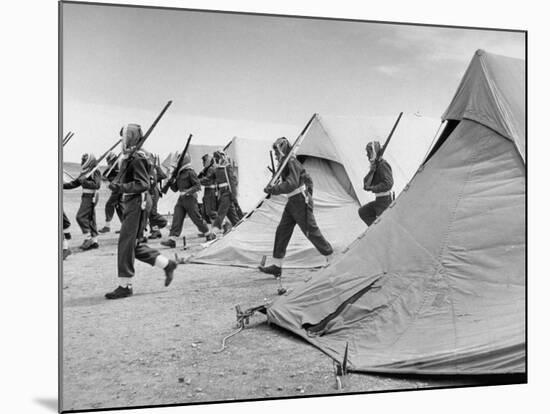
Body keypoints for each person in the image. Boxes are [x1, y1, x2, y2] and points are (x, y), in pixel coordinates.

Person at [105, 124, 177, 300]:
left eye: (125, 136)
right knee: (133, 245)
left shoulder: (137, 157)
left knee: (125, 243)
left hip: (137, 201)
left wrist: (120, 187)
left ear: (131, 137)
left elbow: (143, 184)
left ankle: (125, 285)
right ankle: (167, 264)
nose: (123, 140)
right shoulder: (135, 155)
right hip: (136, 201)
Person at [259, 137, 333, 278]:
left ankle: (331, 258)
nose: (275, 155)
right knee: (282, 230)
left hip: (299, 200)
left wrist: (274, 189)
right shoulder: (286, 163)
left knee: (310, 231)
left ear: (282, 149)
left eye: (276, 151)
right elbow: (305, 180)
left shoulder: (291, 162)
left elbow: (292, 184)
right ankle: (277, 265)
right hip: (293, 201)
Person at [160, 153, 215, 248]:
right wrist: (169, 182)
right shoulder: (179, 173)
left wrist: (187, 192)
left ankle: (208, 233)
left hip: (190, 198)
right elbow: (175, 189)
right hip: (181, 199)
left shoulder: (190, 172)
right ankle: (172, 240)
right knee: (177, 218)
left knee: (196, 218)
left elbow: (197, 186)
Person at [63, 153, 101, 250]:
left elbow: (97, 185)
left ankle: (88, 238)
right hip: (85, 196)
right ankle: (94, 242)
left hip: (91, 196)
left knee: (80, 217)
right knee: (90, 218)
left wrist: (84, 181)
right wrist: (62, 185)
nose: (82, 162)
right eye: (82, 160)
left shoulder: (95, 171)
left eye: (84, 160)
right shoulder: (86, 171)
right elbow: (75, 183)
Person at [357, 140, 394, 226]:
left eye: (369, 152)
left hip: (385, 201)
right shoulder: (375, 166)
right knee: (363, 212)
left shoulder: (382, 165)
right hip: (379, 200)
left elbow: (389, 183)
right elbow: (366, 183)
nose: (367, 154)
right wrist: (372, 171)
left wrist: (373, 188)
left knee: (381, 225)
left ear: (373, 152)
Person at [209, 150, 241, 235]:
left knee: (221, 213)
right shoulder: (217, 169)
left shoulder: (227, 167)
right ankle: (240, 230)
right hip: (222, 193)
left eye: (217, 157)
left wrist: (233, 196)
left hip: (227, 193)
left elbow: (232, 182)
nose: (216, 159)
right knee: (232, 216)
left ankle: (214, 232)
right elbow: (211, 180)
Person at [99, 152, 123, 233]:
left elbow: (115, 178)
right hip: (118, 190)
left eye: (110, 161)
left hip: (119, 190)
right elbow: (105, 176)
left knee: (109, 205)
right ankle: (124, 226)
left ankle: (107, 226)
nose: (109, 163)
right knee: (119, 207)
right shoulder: (112, 168)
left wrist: (106, 180)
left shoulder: (118, 167)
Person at [147, 153, 168, 239]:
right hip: (151, 191)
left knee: (152, 212)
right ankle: (155, 231)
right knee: (150, 213)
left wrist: (156, 173)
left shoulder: (154, 167)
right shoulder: (149, 167)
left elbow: (163, 175)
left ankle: (164, 222)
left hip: (154, 191)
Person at [197, 153, 218, 234]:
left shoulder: (211, 169)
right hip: (208, 191)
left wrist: (197, 181)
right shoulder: (208, 169)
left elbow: (207, 180)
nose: (203, 163)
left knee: (211, 212)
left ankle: (218, 229)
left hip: (211, 191)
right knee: (205, 212)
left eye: (204, 161)